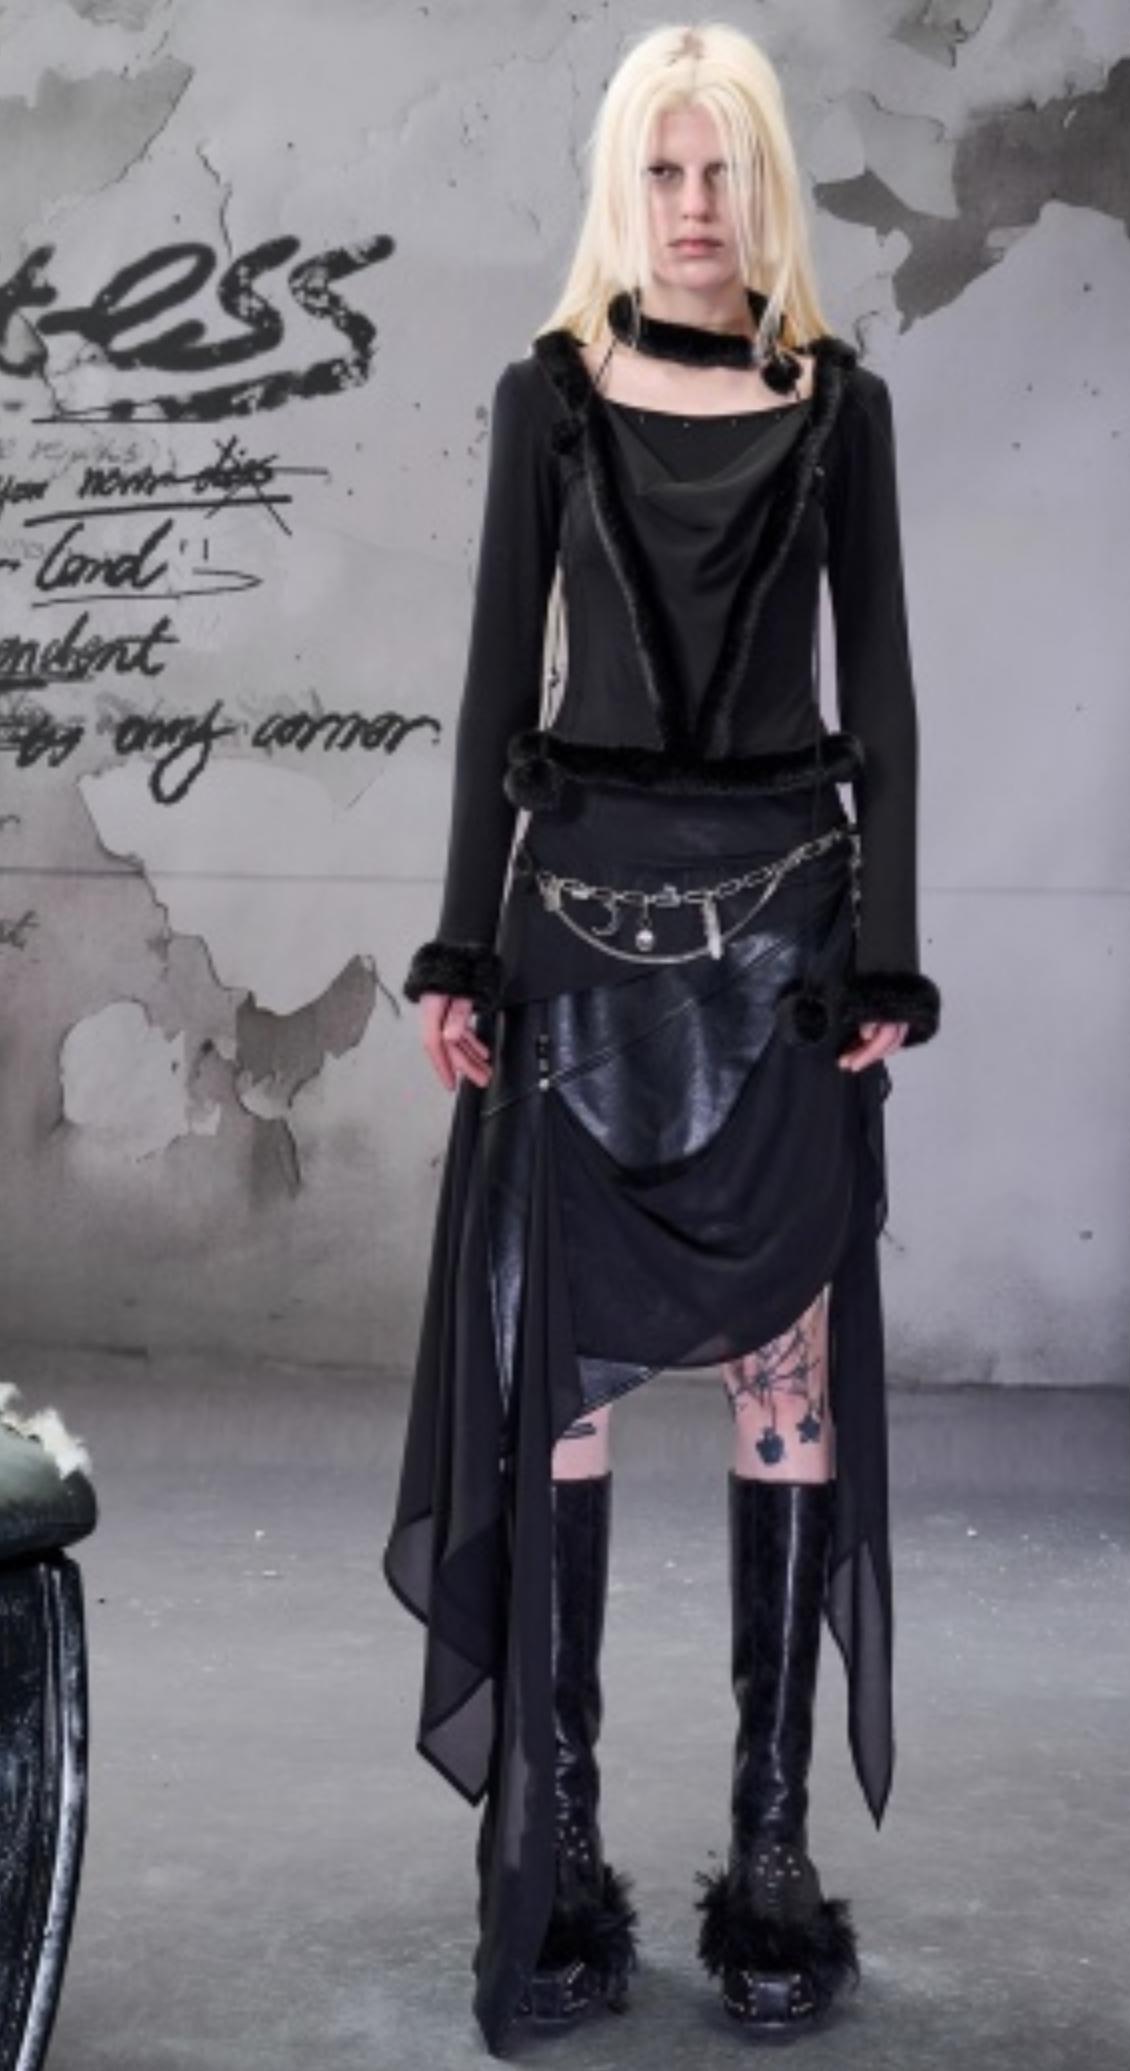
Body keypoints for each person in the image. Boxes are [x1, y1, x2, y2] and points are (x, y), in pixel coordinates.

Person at [382, 19, 941, 2057]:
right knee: (569, 1389)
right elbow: (488, 691)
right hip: (579, 947)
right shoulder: (545, 401)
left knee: (784, 1377)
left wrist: (886, 960)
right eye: (665, 171)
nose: (696, 207)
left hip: (785, 941)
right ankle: (569, 1849)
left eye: (725, 171)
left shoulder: (840, 407)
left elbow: (883, 696)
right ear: (625, 189)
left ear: (765, 185)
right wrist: (461, 953)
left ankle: (770, 1855)